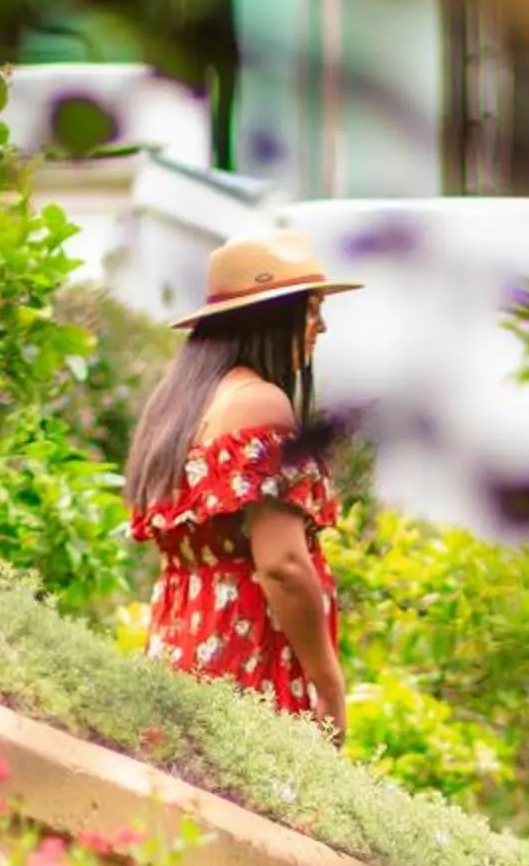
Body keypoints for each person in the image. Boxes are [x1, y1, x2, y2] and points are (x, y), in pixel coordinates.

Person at [124, 229, 361, 743]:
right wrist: (329, 685)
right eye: (312, 309)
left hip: (182, 649)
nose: (322, 326)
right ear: (270, 317)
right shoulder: (259, 403)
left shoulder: (181, 409)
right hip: (244, 660)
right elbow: (283, 566)